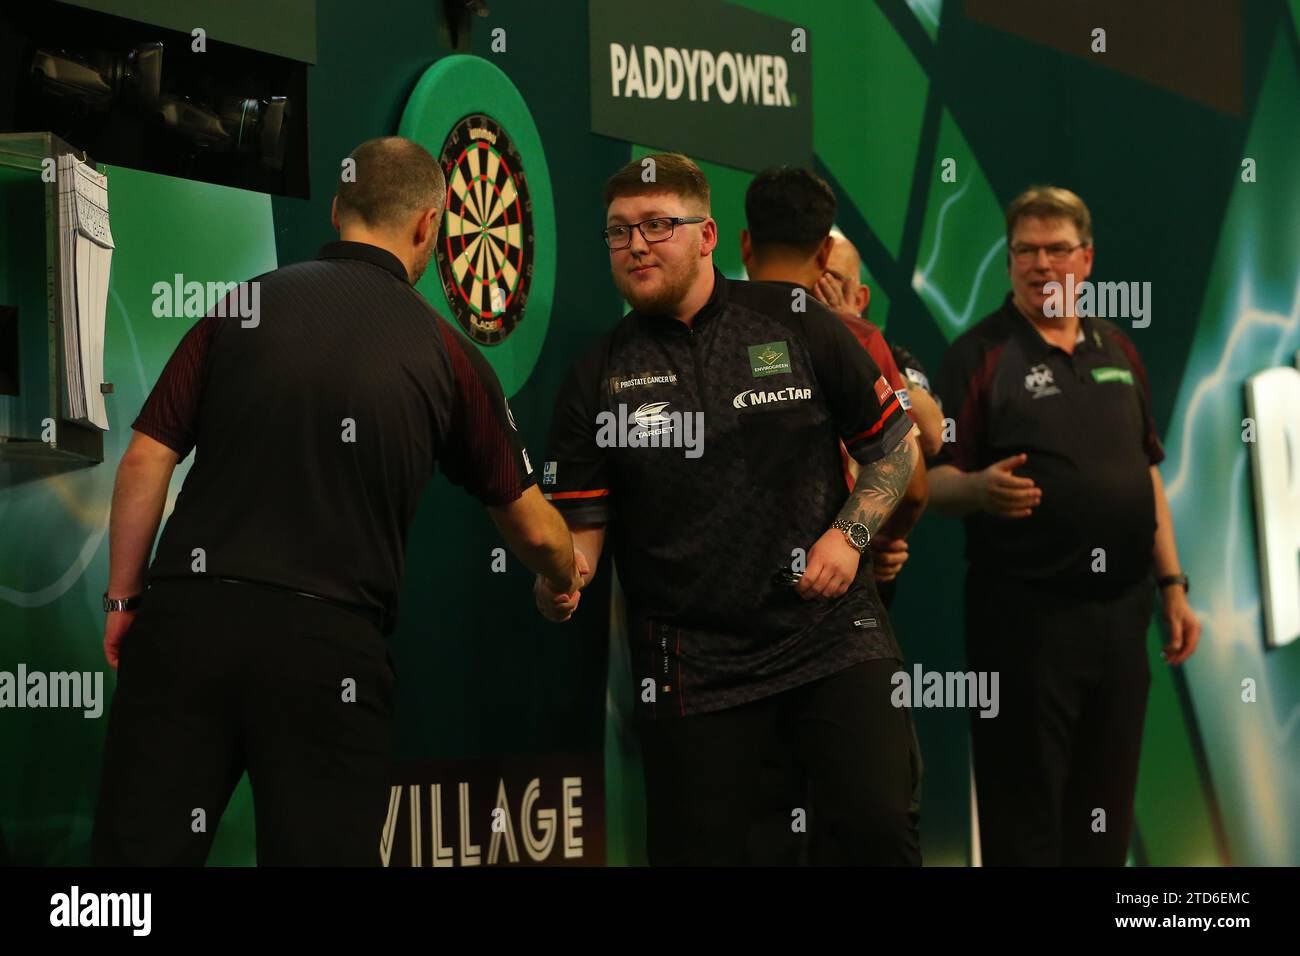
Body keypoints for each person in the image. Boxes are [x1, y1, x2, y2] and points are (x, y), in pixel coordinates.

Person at [93, 136, 581, 866]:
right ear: (429, 226)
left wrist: (125, 601)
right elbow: (538, 533)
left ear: (337, 208)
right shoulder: (447, 355)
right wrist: (563, 576)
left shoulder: (242, 306)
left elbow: (143, 461)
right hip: (328, 654)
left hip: (187, 624)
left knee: (127, 880)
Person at [537, 153, 922, 865]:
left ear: (710, 235)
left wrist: (850, 535)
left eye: (658, 225)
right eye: (620, 232)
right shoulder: (597, 372)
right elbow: (585, 532)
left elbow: (896, 451)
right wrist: (565, 576)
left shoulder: (794, 319)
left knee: (876, 833)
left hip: (831, 637)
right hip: (694, 666)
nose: (637, 246)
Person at [927, 185, 1202, 866]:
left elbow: (1145, 473)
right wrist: (980, 488)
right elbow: (925, 482)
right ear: (1010, 259)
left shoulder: (1118, 348)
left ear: (1087, 257)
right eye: (1025, 250)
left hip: (1119, 618)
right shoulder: (980, 354)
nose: (1040, 264)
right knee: (1027, 821)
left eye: (1056, 250)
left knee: (1102, 820)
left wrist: (1172, 584)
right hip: (1025, 621)